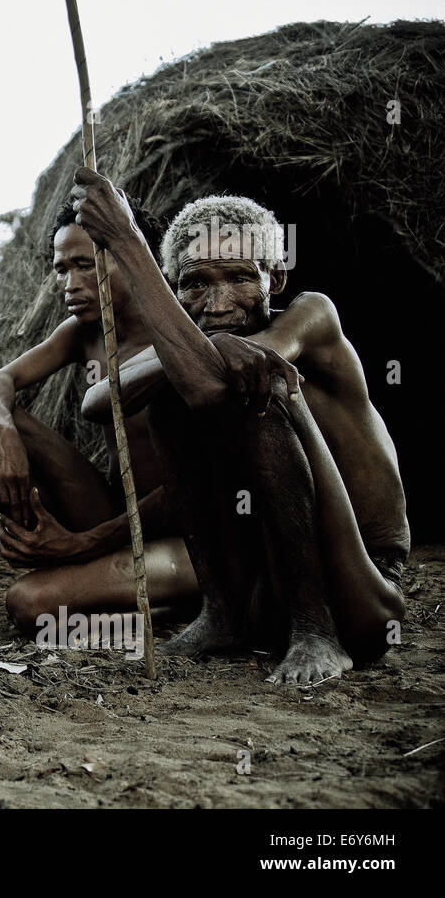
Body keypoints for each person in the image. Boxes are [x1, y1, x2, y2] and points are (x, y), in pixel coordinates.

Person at [70, 168, 407, 683]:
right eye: (196, 283)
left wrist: (126, 239)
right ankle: (222, 614)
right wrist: (216, 347)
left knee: (256, 392)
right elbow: (99, 401)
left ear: (277, 278)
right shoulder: (190, 343)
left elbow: (220, 381)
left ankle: (316, 632)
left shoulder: (312, 315)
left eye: (241, 277)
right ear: (177, 292)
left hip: (364, 590)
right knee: (169, 397)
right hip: (268, 590)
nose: (219, 302)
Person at [0, 199, 197, 626]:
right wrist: (3, 434)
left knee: (30, 605)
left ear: (135, 260)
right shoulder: (85, 334)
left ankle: (185, 604)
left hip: (189, 534)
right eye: (62, 269)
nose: (70, 283)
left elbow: (187, 491)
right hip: (117, 517)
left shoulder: (184, 333)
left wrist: (78, 547)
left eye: (85, 264)